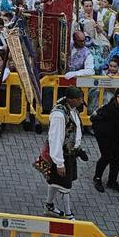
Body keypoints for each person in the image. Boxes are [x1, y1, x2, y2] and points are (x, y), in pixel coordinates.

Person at [44, 86, 85, 221]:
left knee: (55, 182)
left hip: (70, 152)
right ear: (70, 100)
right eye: (79, 100)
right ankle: (68, 214)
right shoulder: (59, 115)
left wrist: (78, 150)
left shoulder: (71, 108)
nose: (81, 102)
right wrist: (59, 163)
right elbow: (55, 139)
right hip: (62, 155)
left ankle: (49, 206)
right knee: (66, 186)